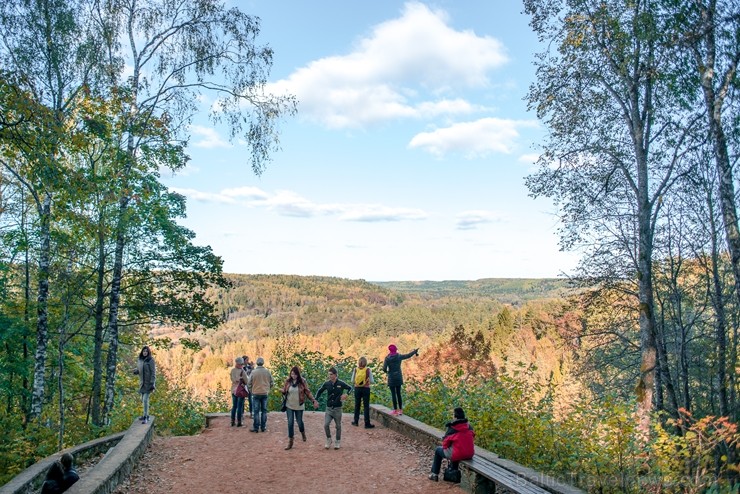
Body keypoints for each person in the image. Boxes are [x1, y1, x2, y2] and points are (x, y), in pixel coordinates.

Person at [428, 407, 475, 482]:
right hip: (469, 453)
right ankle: (453, 471)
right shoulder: (469, 426)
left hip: (458, 453)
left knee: (438, 450)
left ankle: (434, 474)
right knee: (456, 448)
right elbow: (472, 437)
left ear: (455, 416)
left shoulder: (453, 427)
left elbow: (445, 445)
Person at [281, 365, 319, 450]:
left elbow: (307, 392)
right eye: (292, 374)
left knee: (299, 422)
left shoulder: (302, 381)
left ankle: (303, 432)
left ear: (298, 374)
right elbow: (285, 390)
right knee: (290, 423)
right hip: (289, 405)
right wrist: (282, 391)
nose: (293, 376)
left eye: (295, 374)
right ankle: (290, 442)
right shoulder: (288, 381)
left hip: (299, 405)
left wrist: (313, 400)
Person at [315, 366, 352, 450]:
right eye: (329, 374)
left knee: (338, 426)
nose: (330, 376)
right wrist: (315, 400)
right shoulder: (327, 383)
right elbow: (320, 391)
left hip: (337, 408)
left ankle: (337, 441)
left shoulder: (341, 383)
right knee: (326, 424)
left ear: (335, 375)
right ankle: (328, 439)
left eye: (331, 374)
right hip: (329, 408)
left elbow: (350, 388)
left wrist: (346, 394)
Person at [382, 344, 418, 415]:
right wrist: (414, 352)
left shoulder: (387, 358)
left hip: (391, 377)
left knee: (393, 394)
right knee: (398, 393)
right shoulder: (399, 356)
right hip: (398, 376)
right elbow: (408, 355)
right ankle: (400, 410)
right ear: (396, 349)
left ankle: (395, 410)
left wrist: (388, 372)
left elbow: (384, 368)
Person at [248, 356, 273, 432]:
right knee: (264, 411)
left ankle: (256, 428)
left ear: (257, 363)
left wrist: (251, 391)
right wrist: (268, 389)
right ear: (263, 363)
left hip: (255, 393)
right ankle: (263, 427)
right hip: (264, 393)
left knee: (256, 411)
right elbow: (272, 383)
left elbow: (249, 383)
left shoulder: (253, 372)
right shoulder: (267, 372)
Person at [350, 356, 375, 429]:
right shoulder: (368, 370)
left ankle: (356, 421)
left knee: (357, 405)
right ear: (365, 363)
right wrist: (367, 381)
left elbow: (352, 380)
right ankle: (367, 423)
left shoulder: (355, 369)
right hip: (366, 389)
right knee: (366, 406)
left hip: (357, 388)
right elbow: (372, 381)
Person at [133, 345, 155, 424]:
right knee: (143, 400)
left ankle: (145, 417)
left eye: (146, 351)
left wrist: (152, 383)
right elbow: (139, 370)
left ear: (148, 352)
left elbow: (153, 372)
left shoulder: (150, 360)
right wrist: (136, 371)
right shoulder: (140, 360)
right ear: (142, 352)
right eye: (144, 351)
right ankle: (146, 415)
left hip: (148, 384)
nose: (145, 352)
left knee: (145, 400)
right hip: (142, 383)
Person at [230, 357, 248, 427]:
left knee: (234, 406)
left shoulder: (232, 371)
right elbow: (246, 381)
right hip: (240, 391)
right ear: (240, 364)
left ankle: (232, 421)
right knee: (240, 407)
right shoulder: (242, 371)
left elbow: (232, 379)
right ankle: (239, 422)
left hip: (233, 390)